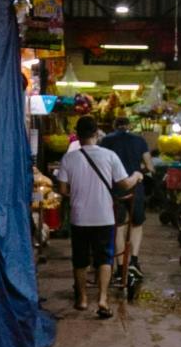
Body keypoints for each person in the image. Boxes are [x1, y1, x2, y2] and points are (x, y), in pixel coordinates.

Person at [54, 115, 137, 318]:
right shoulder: (109, 156)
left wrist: (77, 193)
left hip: (79, 217)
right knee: (104, 258)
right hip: (104, 217)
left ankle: (82, 299)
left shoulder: (68, 158)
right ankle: (102, 299)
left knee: (80, 259)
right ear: (96, 133)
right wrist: (137, 175)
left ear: (77, 134)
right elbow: (125, 184)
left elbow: (62, 189)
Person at [98, 118, 151, 285]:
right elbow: (150, 166)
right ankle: (134, 262)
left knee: (119, 227)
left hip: (115, 188)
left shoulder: (106, 141)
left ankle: (121, 268)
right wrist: (139, 171)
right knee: (137, 224)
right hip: (135, 187)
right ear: (129, 126)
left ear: (114, 126)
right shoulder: (140, 140)